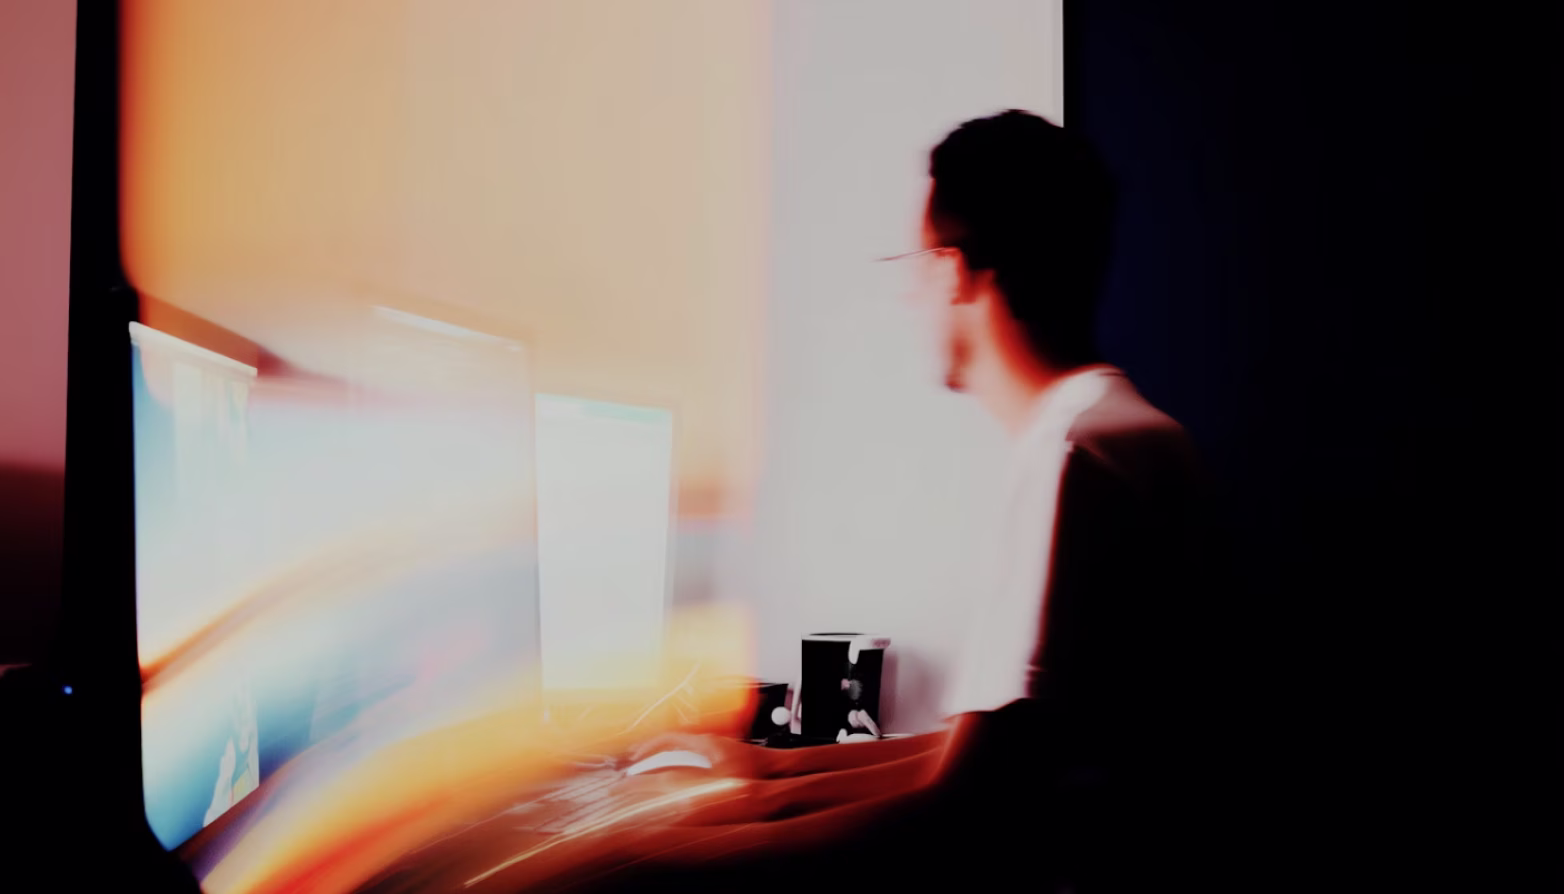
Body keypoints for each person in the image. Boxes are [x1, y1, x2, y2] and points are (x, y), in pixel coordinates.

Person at [519, 110, 1225, 893]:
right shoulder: (1126, 433)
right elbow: (977, 755)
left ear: (957, 272)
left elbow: (962, 813)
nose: (910, 296)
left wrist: (651, 856)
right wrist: (768, 771)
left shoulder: (1073, 461)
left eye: (916, 262)